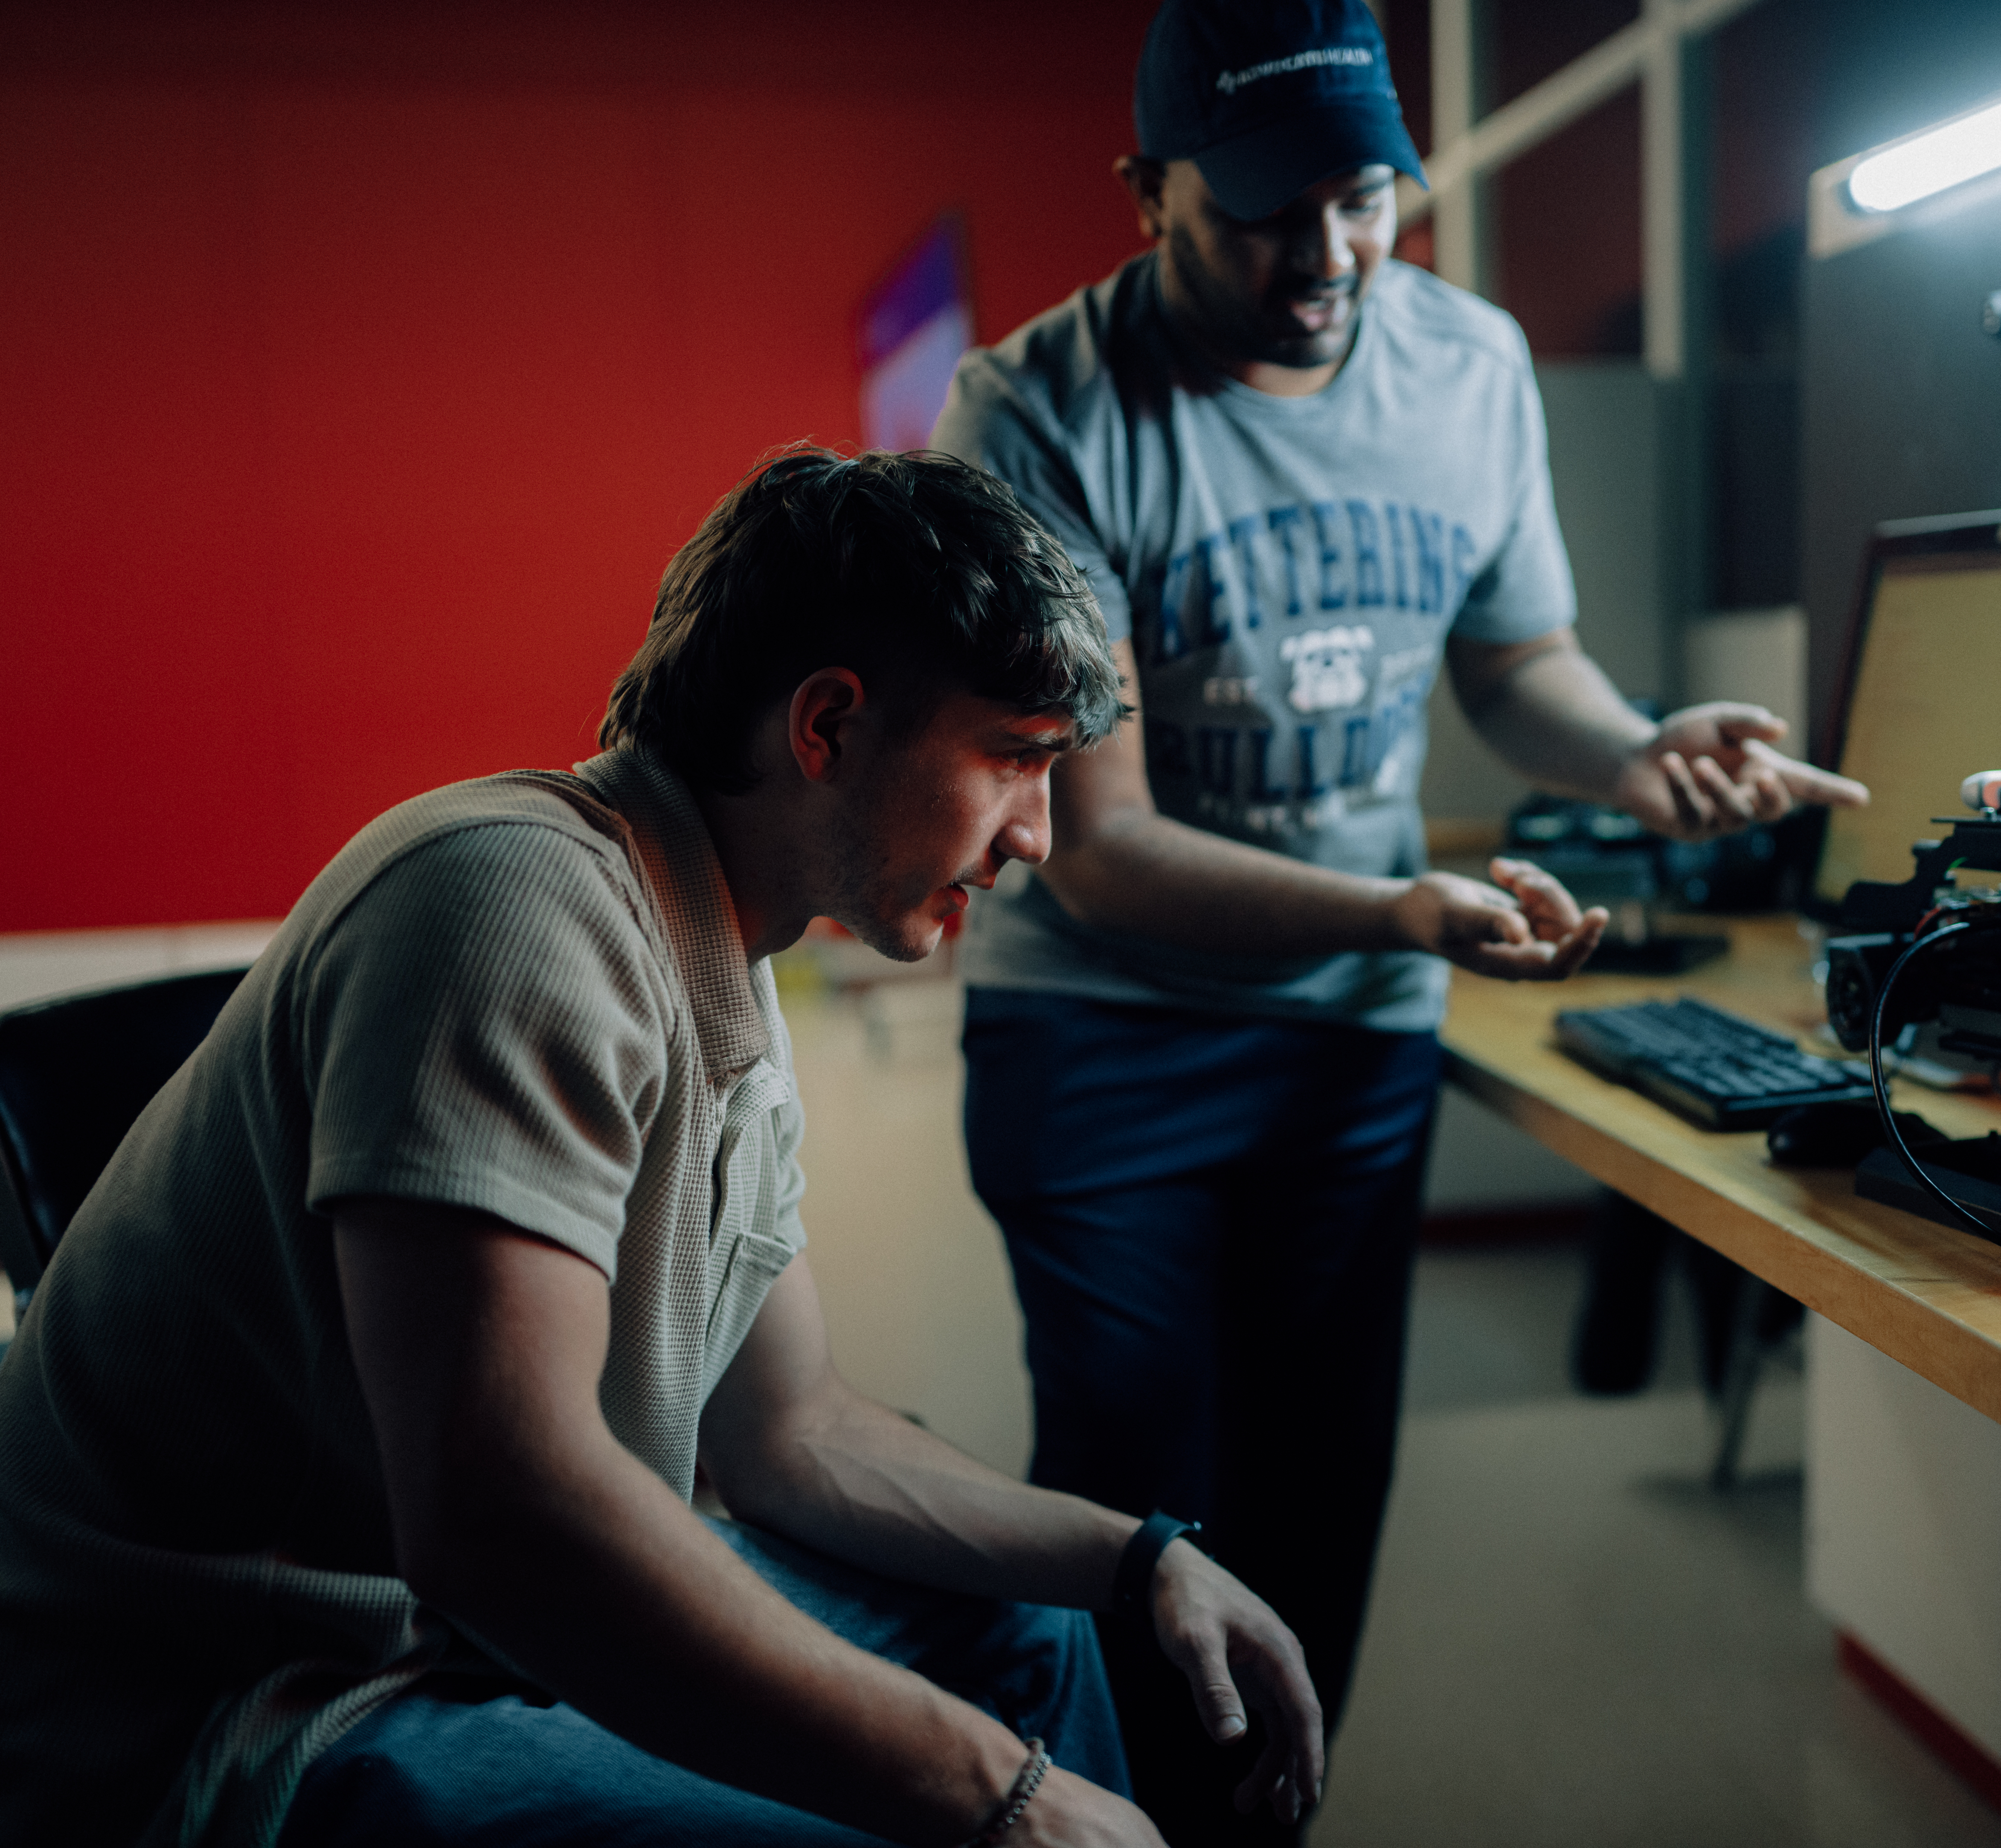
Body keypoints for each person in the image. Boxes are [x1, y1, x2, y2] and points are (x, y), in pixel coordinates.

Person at [0, 450, 1325, 1848]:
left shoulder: (720, 957)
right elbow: (496, 1517)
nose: (1038, 837)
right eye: (1015, 758)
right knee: (939, 1807)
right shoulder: (513, 905)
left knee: (1032, 1637)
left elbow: (792, 1433)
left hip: (444, 1637)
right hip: (249, 1706)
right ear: (825, 726)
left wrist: (1137, 1558)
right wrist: (1003, 1798)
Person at [929, 3, 1868, 1838]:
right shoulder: (1033, 410)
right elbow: (1100, 845)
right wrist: (1400, 907)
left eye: (1365, 200)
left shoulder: (1468, 363)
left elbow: (1517, 664)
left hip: (1348, 1034)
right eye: (1265, 214)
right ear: (1146, 195)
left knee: (1312, 1504)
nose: (1329, 255)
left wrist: (1639, 751)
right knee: (1139, 1512)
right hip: (1104, 1037)